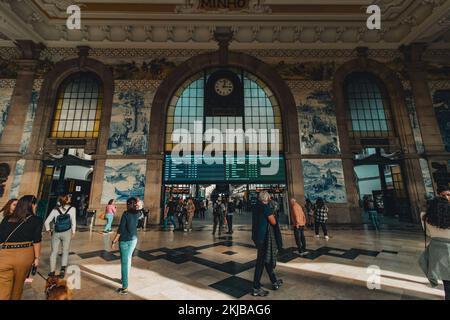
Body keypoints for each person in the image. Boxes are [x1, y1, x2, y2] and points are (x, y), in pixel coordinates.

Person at [0, 195, 42, 300]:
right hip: (24, 255)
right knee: (17, 288)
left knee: (2, 289)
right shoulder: (36, 220)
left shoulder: (7, 218)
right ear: (31, 205)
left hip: (4, 255)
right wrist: (36, 258)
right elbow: (36, 240)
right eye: (35, 204)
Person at [419, 185, 450, 300]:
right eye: (444, 195)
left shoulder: (426, 216)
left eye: (448, 195)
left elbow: (428, 233)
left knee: (447, 283)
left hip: (438, 252)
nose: (447, 198)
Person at [251, 191, 283, 297]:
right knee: (261, 262)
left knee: (266, 260)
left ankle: (274, 281)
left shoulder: (256, 206)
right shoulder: (265, 207)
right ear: (266, 198)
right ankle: (256, 288)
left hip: (256, 236)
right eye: (269, 197)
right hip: (263, 238)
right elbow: (273, 222)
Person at [112, 197, 140, 295]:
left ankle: (124, 288)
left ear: (128, 204)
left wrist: (114, 241)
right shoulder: (138, 213)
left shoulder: (126, 214)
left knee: (124, 262)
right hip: (133, 240)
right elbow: (141, 211)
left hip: (124, 240)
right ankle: (124, 278)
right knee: (128, 259)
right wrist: (138, 205)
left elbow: (120, 229)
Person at [44, 194, 77, 278]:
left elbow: (47, 221)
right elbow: (73, 221)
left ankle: (52, 271)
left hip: (56, 232)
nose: (70, 199)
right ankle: (62, 270)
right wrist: (73, 231)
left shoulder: (55, 209)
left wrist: (48, 230)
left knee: (54, 252)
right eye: (69, 198)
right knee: (65, 251)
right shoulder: (72, 209)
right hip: (67, 232)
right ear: (66, 200)